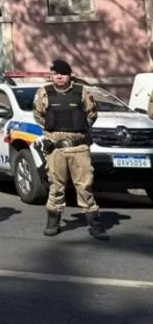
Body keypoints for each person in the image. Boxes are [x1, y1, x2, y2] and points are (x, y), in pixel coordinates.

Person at [33, 59, 108, 241]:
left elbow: (92, 114)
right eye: (55, 74)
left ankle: (94, 223)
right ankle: (53, 222)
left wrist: (78, 130)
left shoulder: (82, 92)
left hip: (79, 148)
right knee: (56, 186)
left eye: (63, 74)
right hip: (56, 149)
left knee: (84, 186)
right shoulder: (44, 92)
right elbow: (38, 115)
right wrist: (54, 131)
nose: (59, 77)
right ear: (52, 75)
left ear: (69, 75)